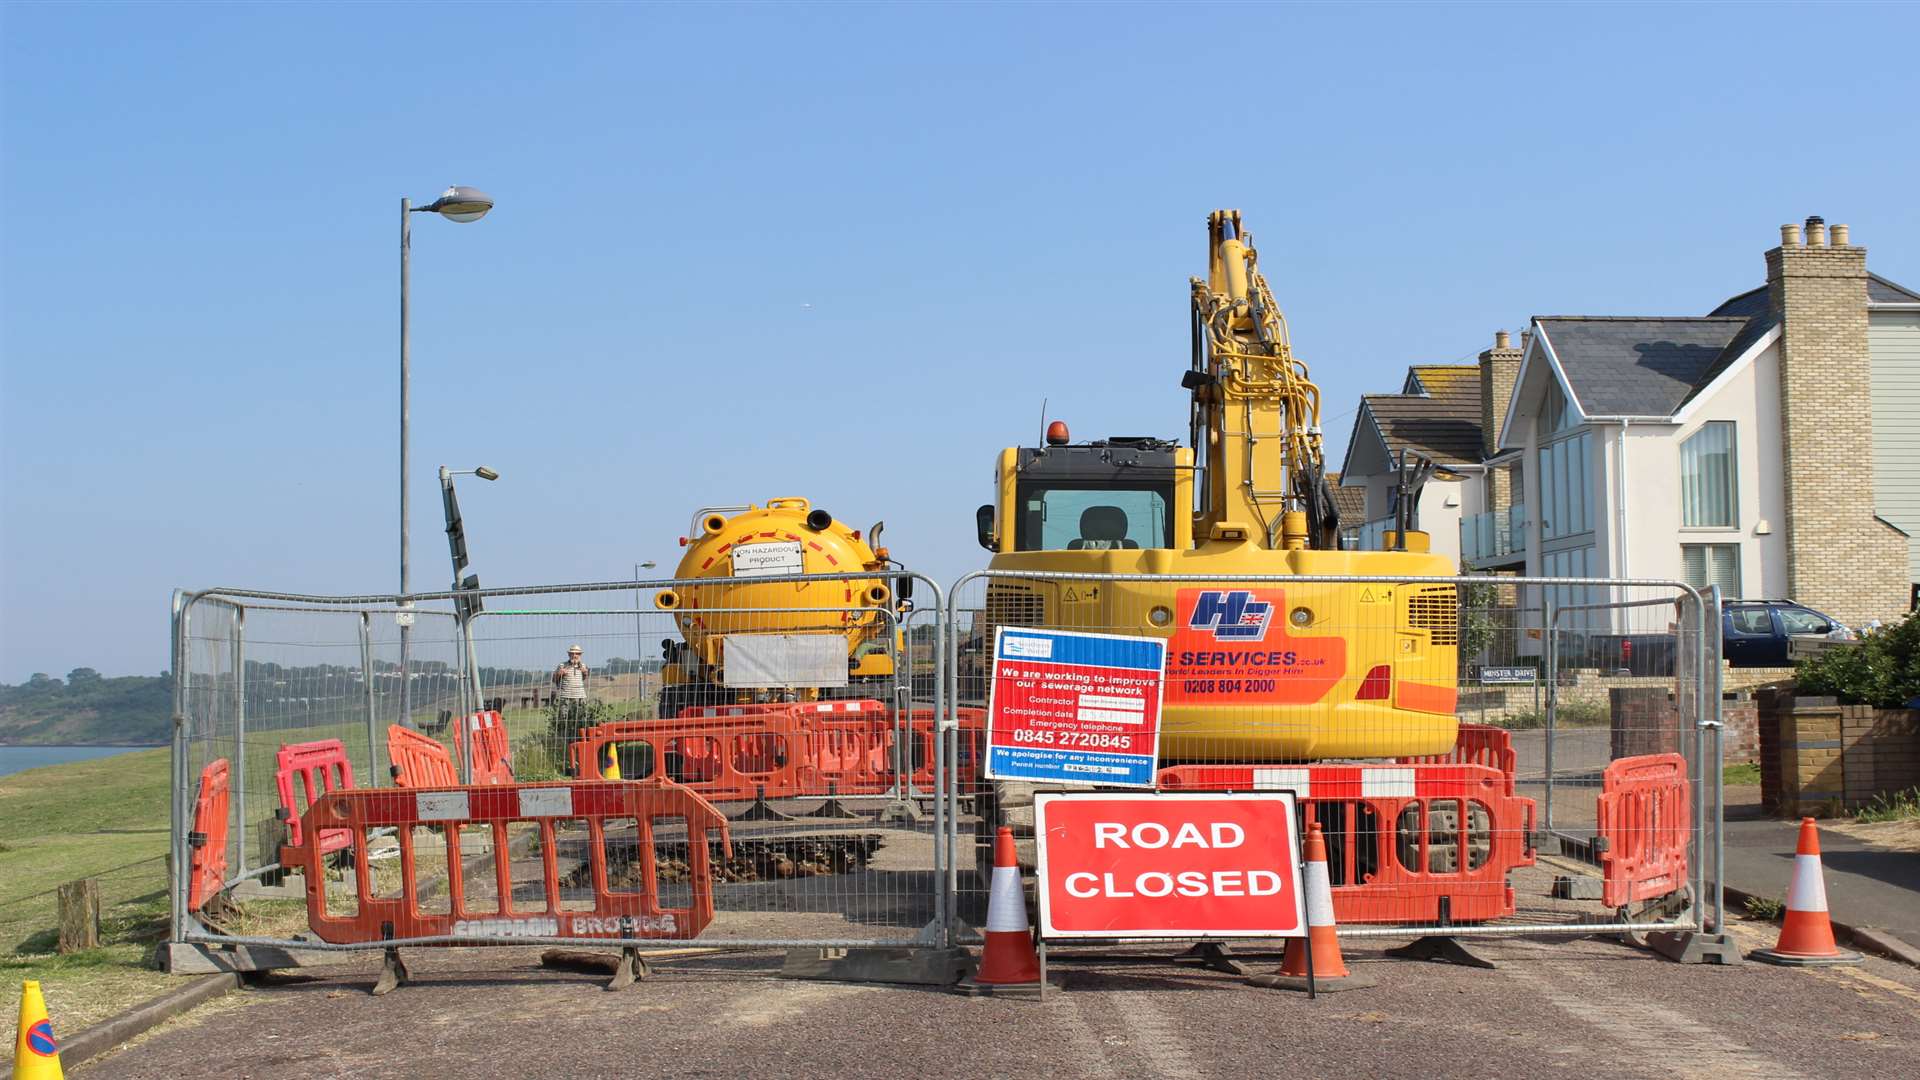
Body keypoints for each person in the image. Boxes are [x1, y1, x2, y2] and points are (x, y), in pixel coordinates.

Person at [552, 645, 591, 738]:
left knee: (582, 719)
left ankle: (580, 737)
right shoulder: (562, 665)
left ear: (580, 655)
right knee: (564, 720)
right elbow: (554, 679)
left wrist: (585, 672)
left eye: (577, 653)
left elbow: (585, 677)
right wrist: (559, 674)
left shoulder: (583, 665)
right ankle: (565, 739)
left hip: (580, 697)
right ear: (569, 654)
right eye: (572, 653)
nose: (575, 655)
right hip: (566, 697)